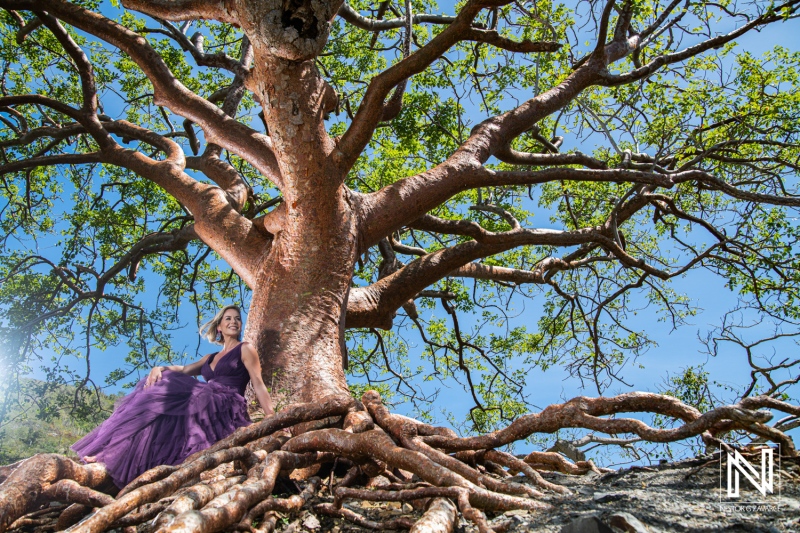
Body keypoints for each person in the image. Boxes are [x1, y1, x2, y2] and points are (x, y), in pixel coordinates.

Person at [71, 305, 274, 487]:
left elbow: (257, 382)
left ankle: (113, 458)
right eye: (228, 318)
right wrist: (160, 368)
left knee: (170, 393)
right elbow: (185, 369)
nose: (234, 322)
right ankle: (110, 455)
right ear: (219, 326)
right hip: (205, 398)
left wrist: (271, 417)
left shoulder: (245, 348)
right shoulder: (210, 357)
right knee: (159, 391)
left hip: (226, 403)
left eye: (237, 318)